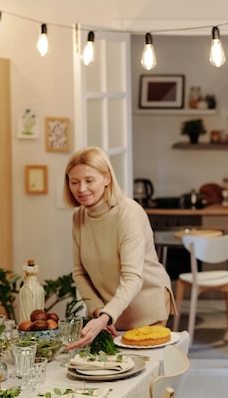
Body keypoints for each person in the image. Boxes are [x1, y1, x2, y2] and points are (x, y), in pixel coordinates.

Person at [62, 146, 175, 350]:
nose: (81, 189)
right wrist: (99, 311)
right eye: (74, 182)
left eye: (89, 180)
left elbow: (132, 277)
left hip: (145, 308)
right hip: (108, 314)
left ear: (107, 178)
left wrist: (106, 316)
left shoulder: (128, 213)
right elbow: (80, 273)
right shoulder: (79, 217)